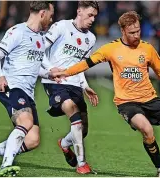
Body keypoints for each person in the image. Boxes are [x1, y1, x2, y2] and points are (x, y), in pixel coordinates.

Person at [50, 11, 160, 177]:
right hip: (127, 103)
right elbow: (86, 64)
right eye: (132, 32)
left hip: (151, 99)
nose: (136, 35)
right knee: (147, 130)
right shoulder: (111, 49)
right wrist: (65, 73)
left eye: (138, 31)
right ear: (123, 31)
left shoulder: (147, 49)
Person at [0, 1, 54, 177]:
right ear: (42, 13)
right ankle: (6, 166)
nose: (51, 19)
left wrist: (51, 74)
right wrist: (0, 76)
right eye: (50, 14)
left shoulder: (41, 39)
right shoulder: (17, 31)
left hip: (27, 93)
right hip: (12, 87)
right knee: (25, 122)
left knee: (33, 139)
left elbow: (35, 68)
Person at [40, 1, 99, 174]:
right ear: (79, 11)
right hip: (55, 82)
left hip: (74, 84)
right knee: (72, 110)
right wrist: (51, 70)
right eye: (90, 15)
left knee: (83, 130)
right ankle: (82, 164)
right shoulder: (61, 27)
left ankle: (64, 144)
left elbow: (80, 66)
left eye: (95, 16)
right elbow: (40, 49)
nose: (93, 19)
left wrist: (85, 86)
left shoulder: (91, 38)